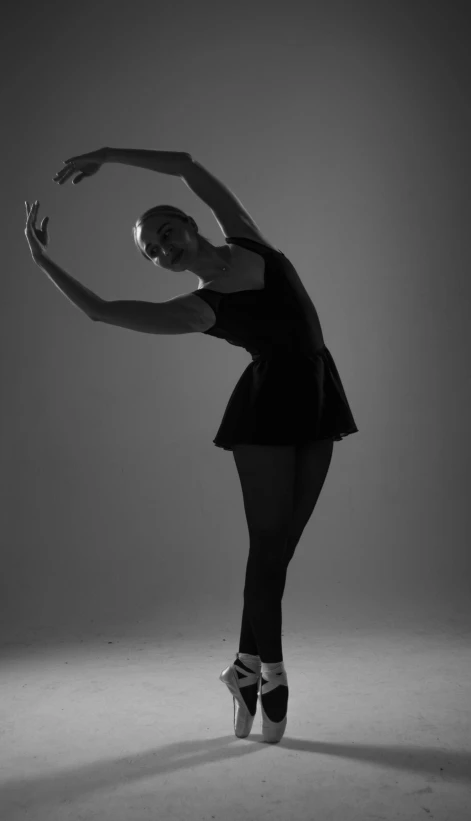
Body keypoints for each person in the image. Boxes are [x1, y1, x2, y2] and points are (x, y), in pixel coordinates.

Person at [24, 147, 359, 744]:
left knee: (278, 553)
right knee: (266, 547)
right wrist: (42, 261)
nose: (161, 248)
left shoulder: (249, 239)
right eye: (149, 250)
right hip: (264, 415)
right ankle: (273, 672)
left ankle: (240, 669)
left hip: (318, 395)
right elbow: (101, 312)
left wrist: (107, 155)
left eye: (164, 232)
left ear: (189, 222)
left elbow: (186, 164)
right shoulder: (200, 309)